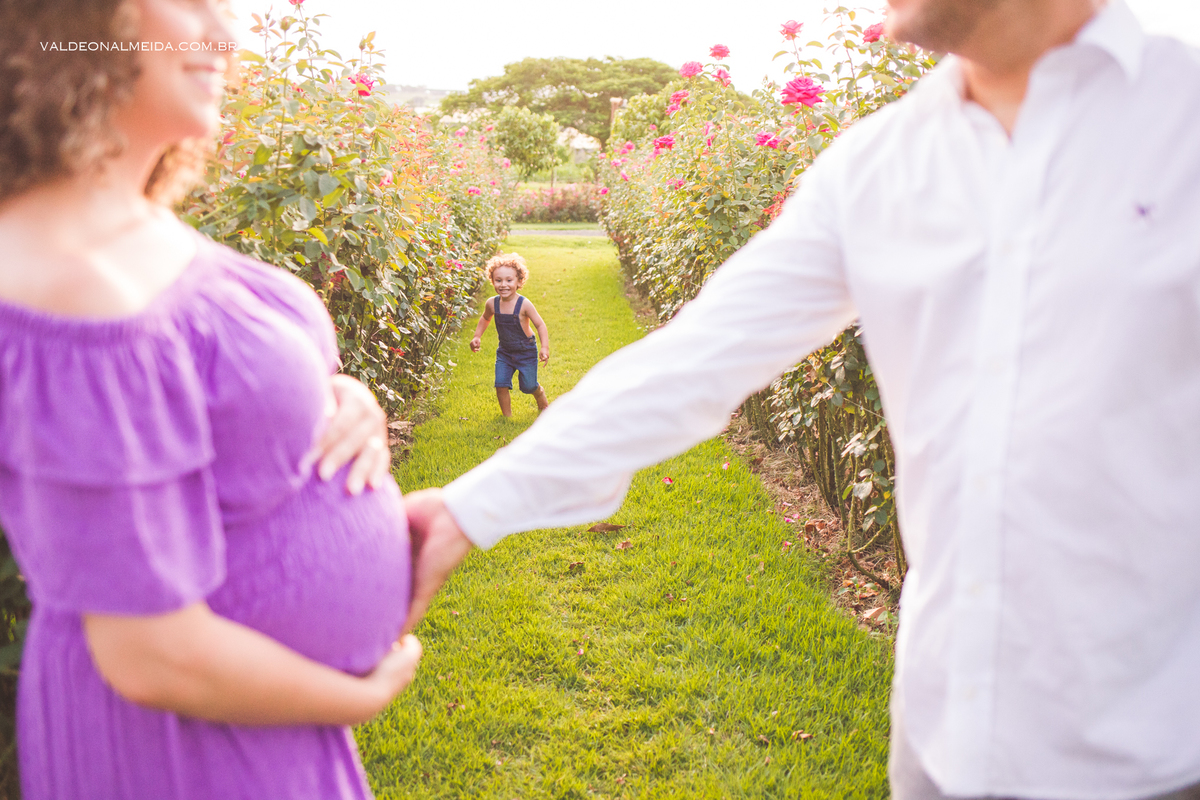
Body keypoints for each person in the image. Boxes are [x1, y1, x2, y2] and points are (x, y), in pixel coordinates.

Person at [402, 0, 1200, 798]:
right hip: (940, 744)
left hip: (1153, 756)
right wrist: (471, 508)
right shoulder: (880, 166)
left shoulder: (1179, 122)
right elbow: (695, 357)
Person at [0, 1, 421, 797]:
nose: (226, 37)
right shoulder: (64, 279)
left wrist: (341, 396)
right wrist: (357, 696)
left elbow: (220, 383)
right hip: (182, 746)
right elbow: (150, 653)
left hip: (248, 722)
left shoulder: (124, 226)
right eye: (190, 4)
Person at [468, 252, 551, 416]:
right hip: (505, 352)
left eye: (509, 280)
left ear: (519, 281)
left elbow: (540, 325)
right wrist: (477, 336)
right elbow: (485, 319)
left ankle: (539, 393)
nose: (503, 285)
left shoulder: (524, 304)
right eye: (498, 280)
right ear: (492, 281)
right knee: (501, 384)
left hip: (526, 351)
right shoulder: (492, 303)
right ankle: (507, 417)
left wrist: (545, 347)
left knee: (528, 386)